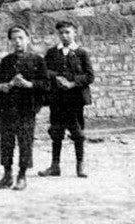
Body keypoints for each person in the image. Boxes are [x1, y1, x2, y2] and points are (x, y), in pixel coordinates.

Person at [0, 25, 49, 190]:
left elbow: (46, 84)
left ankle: (22, 176)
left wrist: (28, 84)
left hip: (26, 109)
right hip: (7, 107)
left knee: (25, 142)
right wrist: (5, 86)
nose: (17, 42)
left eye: (21, 38)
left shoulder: (37, 60)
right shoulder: (6, 61)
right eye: (14, 39)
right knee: (6, 142)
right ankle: (7, 175)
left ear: (28, 39)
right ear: (10, 41)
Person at [39, 20, 94, 178]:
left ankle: (80, 165)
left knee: (77, 132)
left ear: (74, 33)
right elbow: (44, 71)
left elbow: (90, 76)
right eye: (61, 33)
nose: (64, 36)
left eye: (67, 32)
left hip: (75, 99)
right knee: (56, 131)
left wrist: (72, 83)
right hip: (57, 99)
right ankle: (54, 166)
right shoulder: (52, 53)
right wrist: (56, 77)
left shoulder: (81, 53)